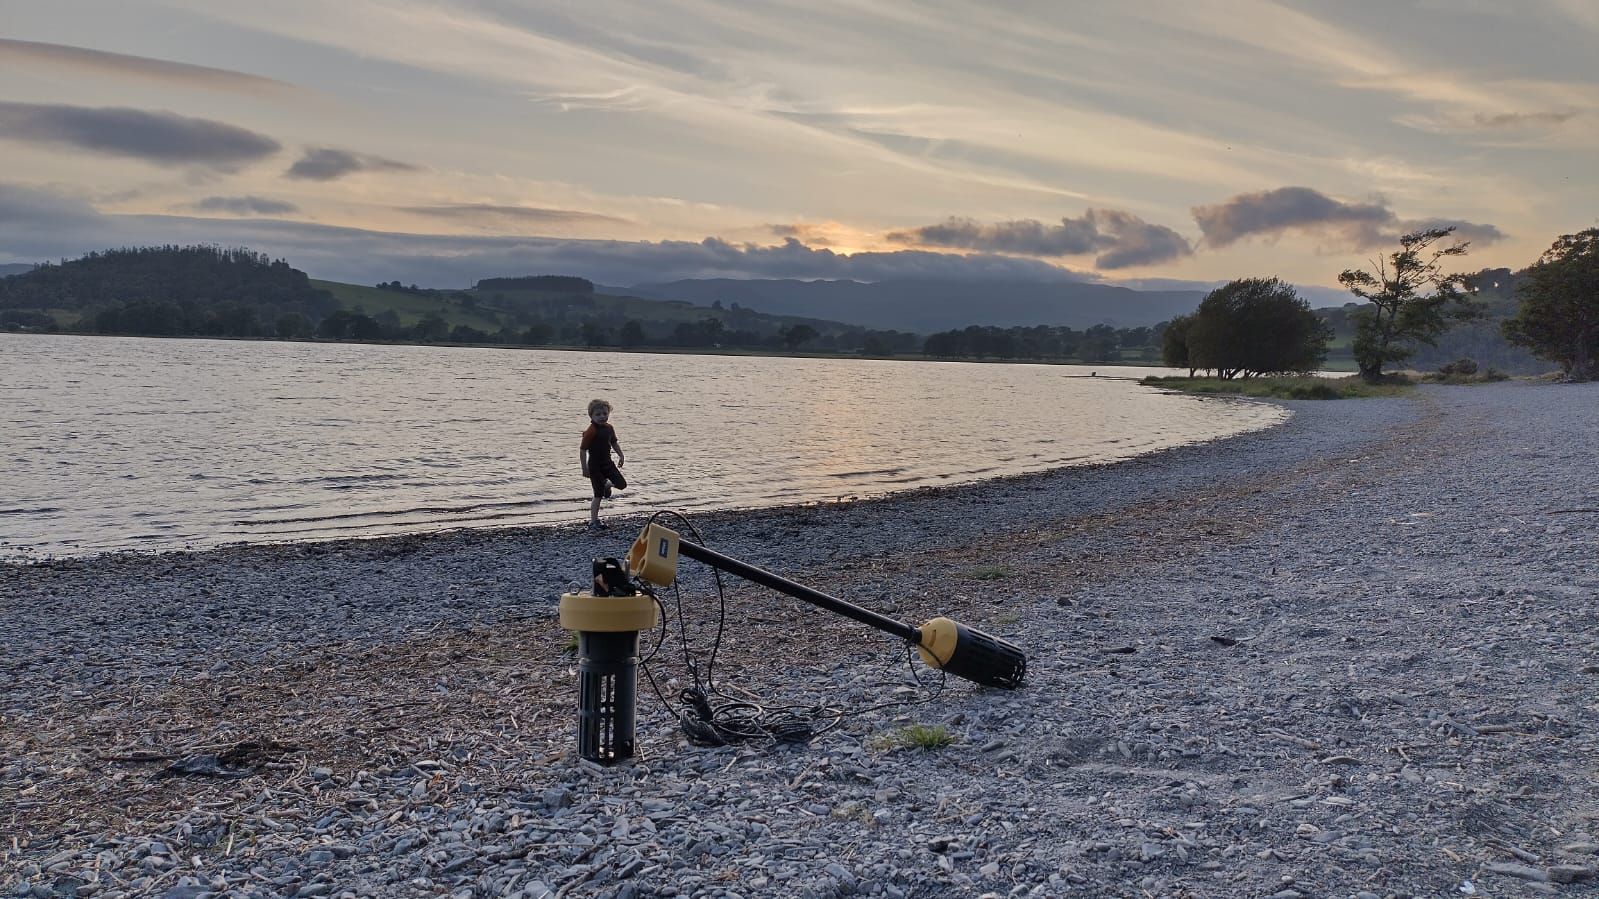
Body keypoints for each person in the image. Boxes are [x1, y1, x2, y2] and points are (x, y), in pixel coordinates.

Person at [580, 398, 626, 529]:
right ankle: (594, 521)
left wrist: (621, 455)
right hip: (595, 466)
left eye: (605, 414)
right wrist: (584, 468)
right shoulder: (591, 431)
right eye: (598, 414)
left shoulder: (609, 428)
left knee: (622, 484)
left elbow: (614, 442)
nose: (602, 417)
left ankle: (608, 485)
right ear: (591, 416)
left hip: (608, 463)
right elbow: (582, 450)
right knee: (598, 495)